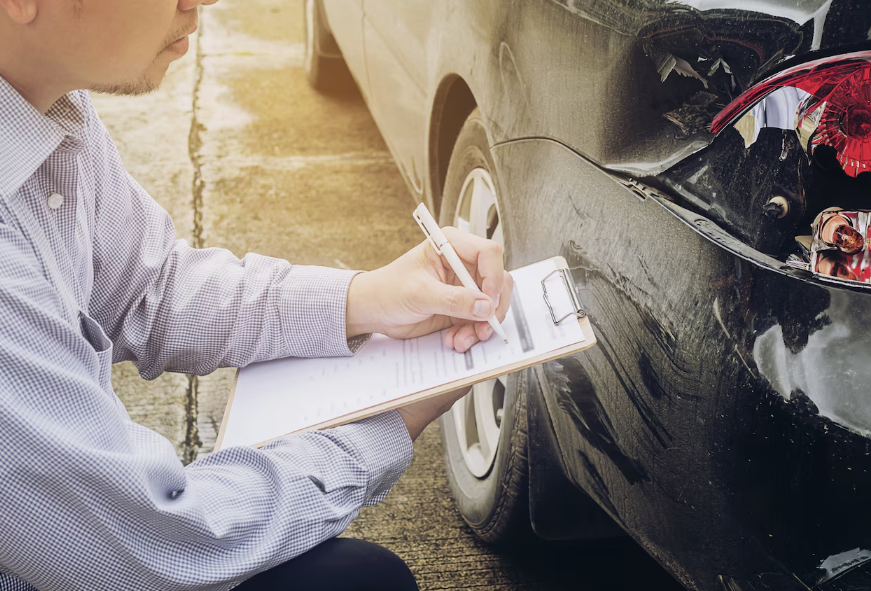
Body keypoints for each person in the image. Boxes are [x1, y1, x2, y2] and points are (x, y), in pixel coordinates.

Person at [0, 0, 513, 589]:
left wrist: (367, 299)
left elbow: (151, 289)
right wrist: (384, 423)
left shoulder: (51, 108)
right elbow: (154, 542)